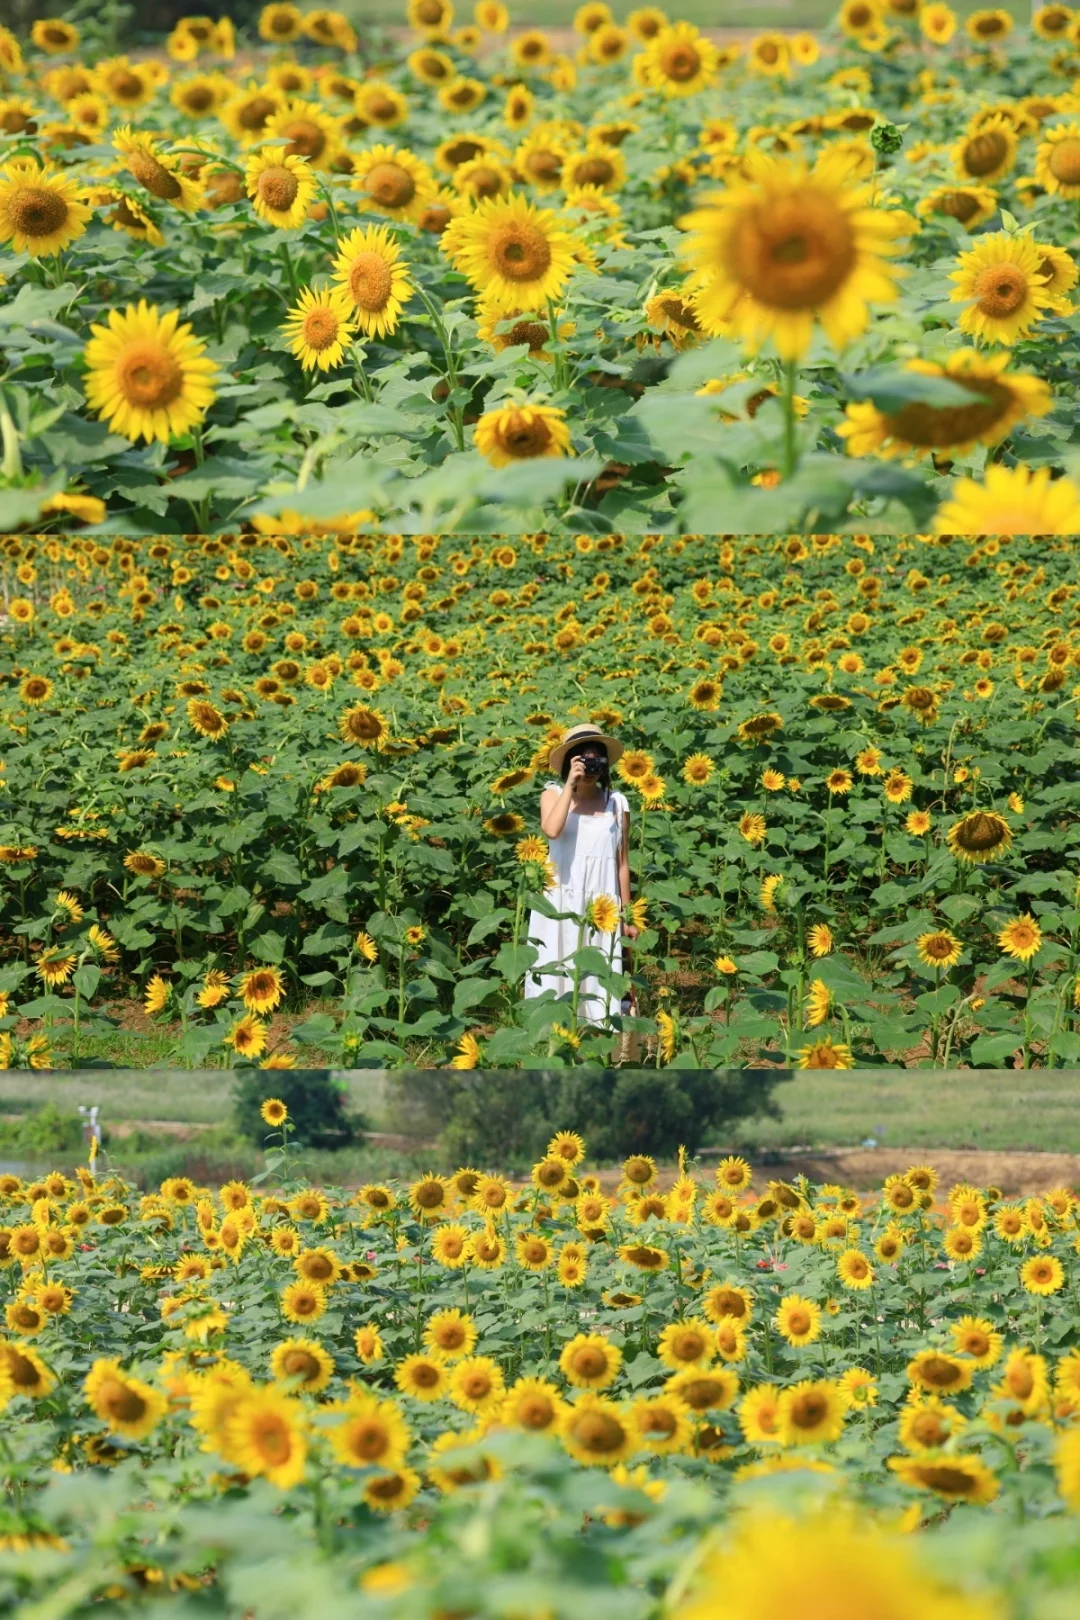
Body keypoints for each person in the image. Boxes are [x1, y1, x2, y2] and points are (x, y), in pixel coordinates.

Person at [523, 723, 637, 1027]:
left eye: (596, 759)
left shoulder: (617, 803)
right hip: (560, 899)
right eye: (583, 760)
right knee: (555, 961)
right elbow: (551, 830)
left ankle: (600, 1030)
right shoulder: (552, 795)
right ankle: (552, 1030)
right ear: (570, 761)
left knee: (600, 967)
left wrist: (627, 916)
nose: (591, 767)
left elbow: (622, 863)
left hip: (602, 903)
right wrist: (570, 785)